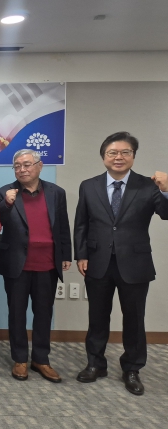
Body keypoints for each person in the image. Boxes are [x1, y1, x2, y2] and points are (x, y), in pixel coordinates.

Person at [74, 131, 168, 396]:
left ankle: (132, 369)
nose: (118, 157)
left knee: (134, 319)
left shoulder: (148, 185)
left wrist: (166, 189)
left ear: (133, 156)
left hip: (135, 263)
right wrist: (81, 255)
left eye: (125, 152)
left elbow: (166, 213)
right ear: (103, 156)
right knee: (97, 317)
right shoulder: (88, 185)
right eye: (112, 152)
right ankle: (95, 364)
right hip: (98, 262)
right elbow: (81, 223)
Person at [0, 149, 72, 383]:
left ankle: (41, 359)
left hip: (47, 263)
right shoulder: (4, 193)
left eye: (27, 164)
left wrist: (66, 254)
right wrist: (7, 204)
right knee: (17, 313)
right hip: (16, 263)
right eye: (17, 166)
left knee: (44, 313)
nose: (22, 169)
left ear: (40, 165)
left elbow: (63, 225)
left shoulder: (56, 192)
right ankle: (19, 359)